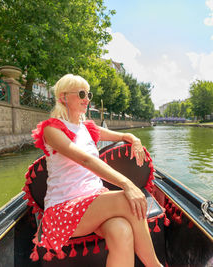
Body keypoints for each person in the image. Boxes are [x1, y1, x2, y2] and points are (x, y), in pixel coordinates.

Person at [30, 74, 162, 267]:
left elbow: (123, 135)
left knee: (122, 230)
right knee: (129, 199)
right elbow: (86, 160)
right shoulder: (52, 129)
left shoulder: (87, 128)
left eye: (88, 94)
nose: (87, 99)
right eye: (82, 94)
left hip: (93, 203)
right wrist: (127, 184)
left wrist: (135, 139)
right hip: (64, 208)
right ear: (64, 97)